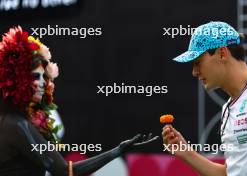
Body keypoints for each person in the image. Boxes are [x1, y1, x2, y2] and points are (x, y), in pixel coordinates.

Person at [0, 26, 159, 176]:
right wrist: (117, 151)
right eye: (36, 76)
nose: (43, 82)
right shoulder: (17, 125)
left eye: (44, 76)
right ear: (17, 79)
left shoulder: (13, 122)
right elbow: (64, 171)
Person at [162, 21, 247, 176]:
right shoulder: (227, 108)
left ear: (222, 53)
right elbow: (230, 174)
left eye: (198, 62)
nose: (194, 72)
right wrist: (184, 151)